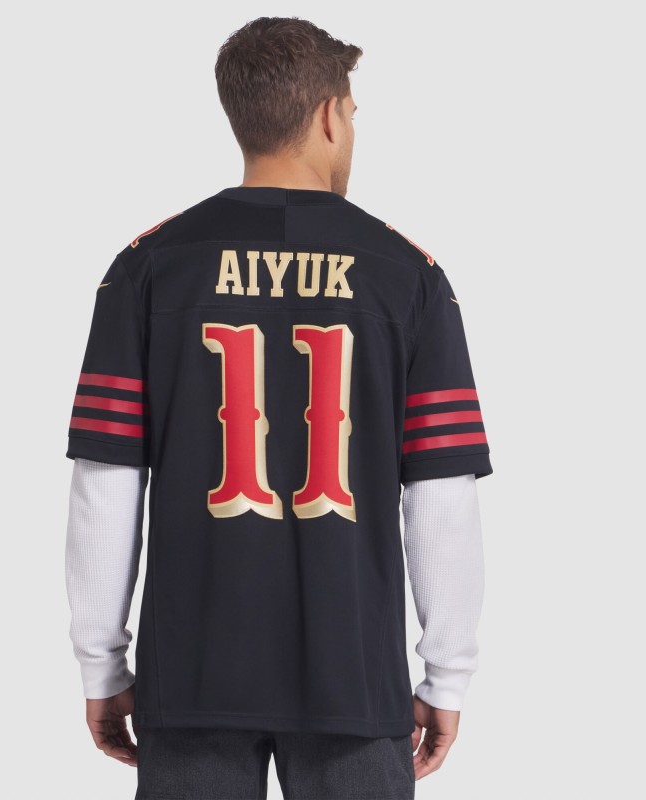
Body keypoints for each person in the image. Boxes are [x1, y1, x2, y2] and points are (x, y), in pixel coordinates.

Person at [64, 16, 492, 800]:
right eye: (353, 114)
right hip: (354, 678)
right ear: (328, 115)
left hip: (192, 673)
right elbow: (442, 498)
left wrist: (102, 663)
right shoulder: (408, 276)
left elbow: (106, 482)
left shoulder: (148, 267)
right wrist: (447, 675)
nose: (352, 131)